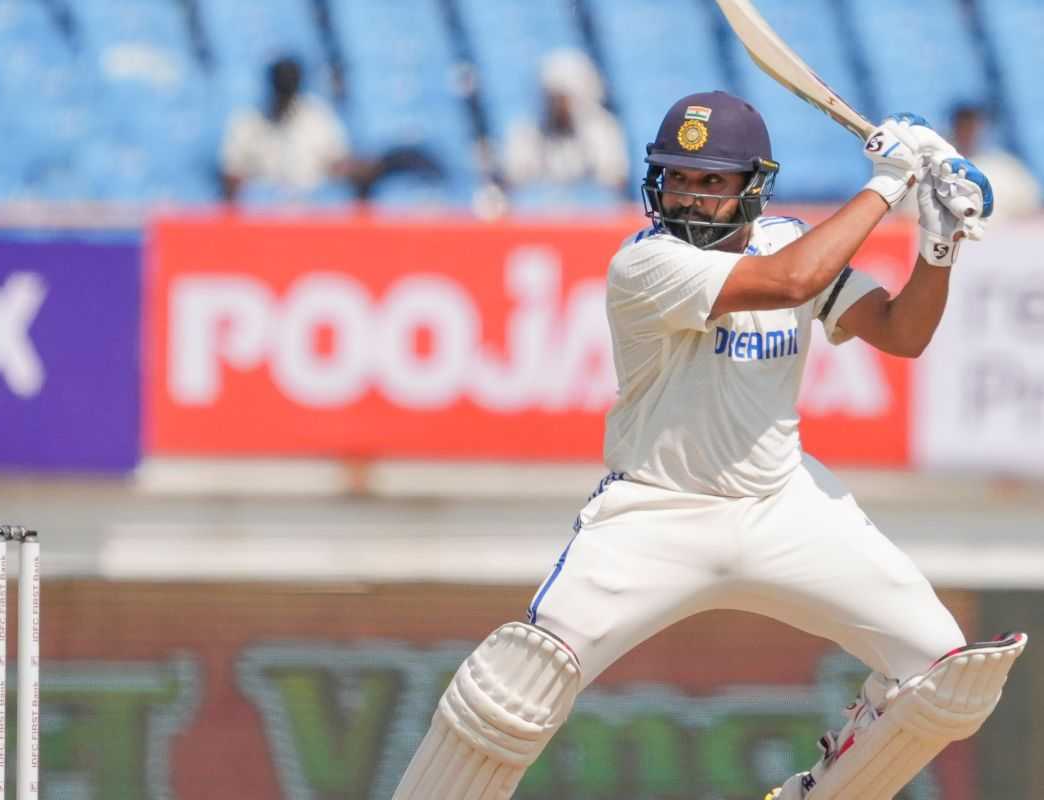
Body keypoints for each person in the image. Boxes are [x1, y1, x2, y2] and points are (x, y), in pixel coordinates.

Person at [390, 92, 1026, 800]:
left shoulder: (789, 239)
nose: (689, 197)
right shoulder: (646, 264)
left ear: (752, 186)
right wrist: (891, 182)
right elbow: (792, 282)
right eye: (678, 178)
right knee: (510, 689)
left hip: (783, 506)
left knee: (948, 679)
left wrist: (938, 245)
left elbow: (902, 334)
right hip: (656, 511)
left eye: (712, 182)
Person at [218, 55, 356, 202]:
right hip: (260, 214)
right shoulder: (247, 122)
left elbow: (340, 163)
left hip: (312, 212)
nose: (284, 96)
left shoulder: (318, 118)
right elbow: (230, 174)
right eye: (281, 87)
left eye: (288, 88)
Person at [500, 48, 628, 192]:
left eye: (565, 97)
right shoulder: (526, 134)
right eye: (553, 97)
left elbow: (614, 180)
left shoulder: (604, 131)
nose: (559, 104)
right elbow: (515, 180)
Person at [949, 102, 1040, 219]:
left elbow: (1032, 208)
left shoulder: (1005, 167)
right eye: (963, 127)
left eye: (971, 127)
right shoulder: (939, 166)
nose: (968, 133)